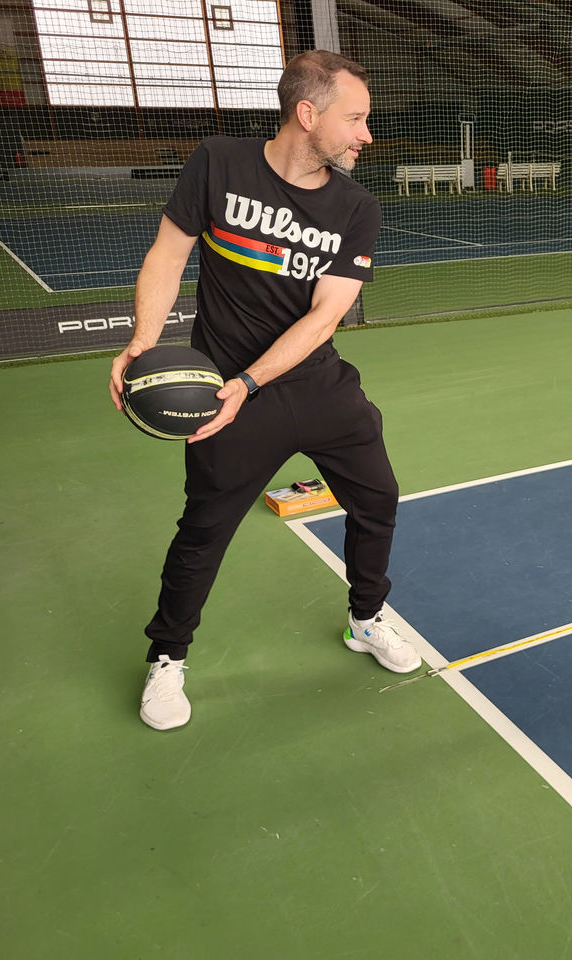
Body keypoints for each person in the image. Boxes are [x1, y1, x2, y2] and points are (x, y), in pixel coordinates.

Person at [109, 50, 420, 731]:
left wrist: (251, 380)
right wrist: (144, 341)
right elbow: (168, 254)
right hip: (224, 396)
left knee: (379, 498)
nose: (366, 136)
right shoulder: (217, 162)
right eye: (356, 119)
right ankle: (168, 657)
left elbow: (324, 317)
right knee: (205, 530)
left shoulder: (355, 206)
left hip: (313, 386)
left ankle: (366, 618)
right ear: (308, 114)